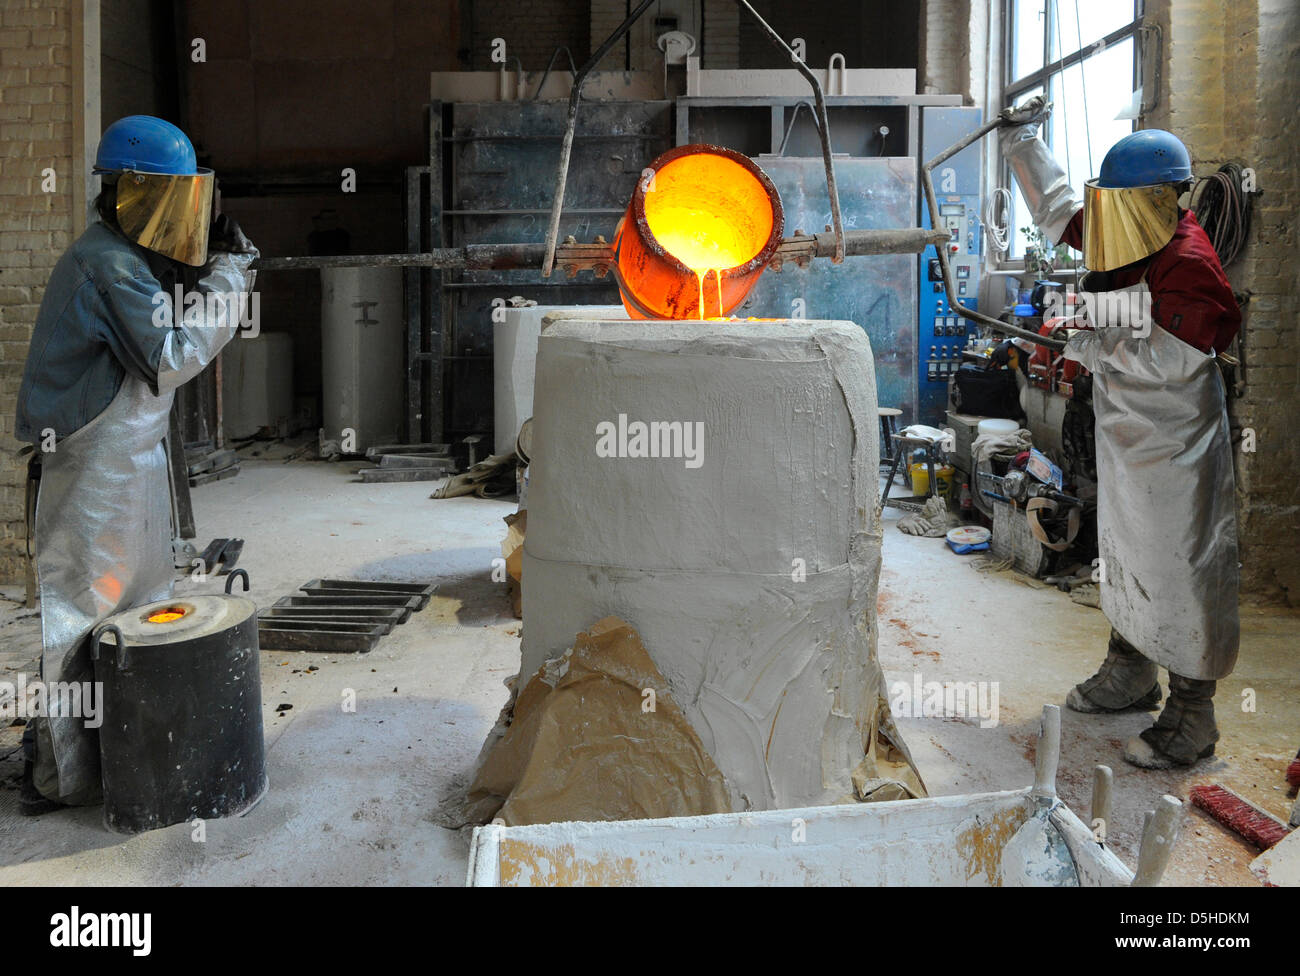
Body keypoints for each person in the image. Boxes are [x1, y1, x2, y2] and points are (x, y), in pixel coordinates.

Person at [17, 115, 258, 814]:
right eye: (167, 201)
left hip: (125, 458)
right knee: (82, 618)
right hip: (89, 462)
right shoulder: (105, 263)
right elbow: (172, 355)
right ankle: (62, 778)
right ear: (129, 195)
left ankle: (125, 754)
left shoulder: (127, 259)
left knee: (139, 613)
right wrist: (230, 277)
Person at [998, 96, 1241, 769]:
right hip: (1127, 436)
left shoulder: (1189, 263)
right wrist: (1022, 140)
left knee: (1184, 569)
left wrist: (1088, 340)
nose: (1102, 223)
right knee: (1129, 552)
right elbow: (1055, 212)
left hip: (1178, 445)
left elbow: (1171, 355)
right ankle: (1130, 670)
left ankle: (1193, 715)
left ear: (1163, 200)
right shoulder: (1125, 231)